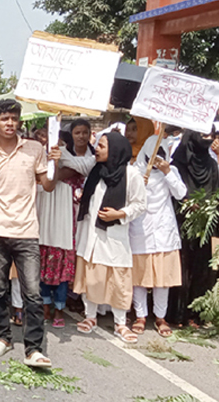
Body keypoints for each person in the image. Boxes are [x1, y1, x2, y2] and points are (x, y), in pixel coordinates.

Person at [0, 100, 58, 367]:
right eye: (4, 119)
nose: (9, 123)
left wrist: (54, 164)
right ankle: (2, 336)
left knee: (32, 292)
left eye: (13, 118)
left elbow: (48, 186)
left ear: (20, 122)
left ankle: (34, 348)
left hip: (27, 230)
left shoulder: (34, 149)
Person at [73, 131, 146, 343]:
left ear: (115, 150)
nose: (96, 149)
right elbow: (91, 197)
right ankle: (90, 316)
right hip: (91, 233)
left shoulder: (131, 174)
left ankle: (120, 324)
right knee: (92, 276)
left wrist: (120, 214)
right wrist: (82, 197)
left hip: (114, 235)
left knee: (118, 280)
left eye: (102, 146)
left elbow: (140, 204)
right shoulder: (96, 171)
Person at [38, 120, 95, 328]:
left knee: (63, 263)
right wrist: (54, 160)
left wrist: (60, 155)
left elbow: (76, 170)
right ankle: (46, 306)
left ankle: (60, 308)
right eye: (77, 132)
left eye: (84, 132)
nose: (81, 136)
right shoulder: (51, 155)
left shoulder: (82, 157)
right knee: (45, 260)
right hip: (48, 213)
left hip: (68, 216)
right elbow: (46, 179)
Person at [129, 135, 186, 337]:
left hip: (163, 230)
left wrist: (167, 172)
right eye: (153, 156)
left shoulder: (171, 171)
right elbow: (127, 198)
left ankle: (160, 317)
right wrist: (139, 184)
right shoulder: (134, 171)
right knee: (139, 277)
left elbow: (181, 193)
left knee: (163, 278)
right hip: (140, 230)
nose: (156, 161)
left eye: (160, 156)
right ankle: (140, 316)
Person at [169, 129, 219, 326]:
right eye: (203, 135)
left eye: (211, 135)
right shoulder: (179, 165)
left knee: (201, 269)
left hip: (204, 224)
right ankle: (176, 313)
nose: (208, 139)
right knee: (181, 267)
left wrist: (212, 210)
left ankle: (195, 313)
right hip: (181, 222)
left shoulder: (211, 164)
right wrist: (186, 203)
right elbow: (172, 192)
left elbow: (216, 192)